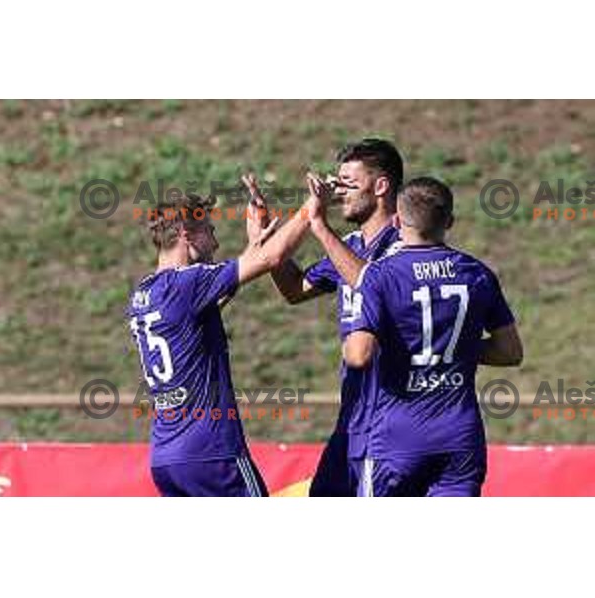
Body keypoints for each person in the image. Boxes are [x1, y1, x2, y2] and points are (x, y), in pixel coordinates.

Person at [316, 177, 523, 496]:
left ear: (397, 220)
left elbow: (359, 355)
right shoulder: (477, 273)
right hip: (460, 437)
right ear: (450, 222)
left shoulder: (379, 274)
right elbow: (510, 351)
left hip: (395, 438)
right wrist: (454, 348)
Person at [126, 192, 314, 496]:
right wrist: (311, 210)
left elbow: (216, 296)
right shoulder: (187, 282)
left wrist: (254, 245)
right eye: (210, 231)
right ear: (187, 235)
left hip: (166, 459)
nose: (214, 243)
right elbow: (271, 258)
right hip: (212, 453)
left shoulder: (145, 293)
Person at [244, 138, 404, 496]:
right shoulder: (352, 245)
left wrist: (317, 224)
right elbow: (295, 289)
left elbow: (371, 279)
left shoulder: (406, 244)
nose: (337, 191)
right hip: (353, 420)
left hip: (392, 419)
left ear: (381, 186)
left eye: (348, 182)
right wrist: (269, 244)